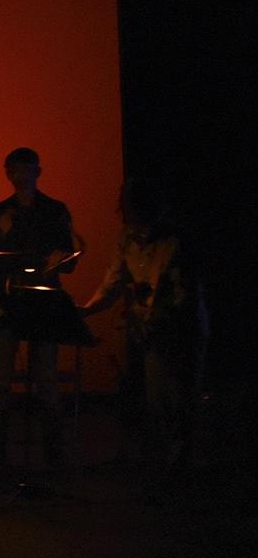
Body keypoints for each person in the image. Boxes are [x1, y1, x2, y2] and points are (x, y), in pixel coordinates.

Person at [80, 178, 206, 474]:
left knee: (178, 398)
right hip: (150, 331)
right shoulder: (127, 239)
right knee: (155, 399)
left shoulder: (176, 242)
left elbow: (183, 296)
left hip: (178, 330)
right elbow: (112, 284)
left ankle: (180, 465)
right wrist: (84, 310)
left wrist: (153, 317)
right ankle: (164, 463)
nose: (133, 223)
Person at [0, 147, 79, 468]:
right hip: (9, 303)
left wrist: (58, 261)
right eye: (16, 170)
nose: (22, 175)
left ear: (38, 171)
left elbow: (68, 260)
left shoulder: (55, 210)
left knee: (46, 378)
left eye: (27, 169)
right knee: (1, 378)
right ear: (8, 174)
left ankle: (53, 454)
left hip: (45, 301)